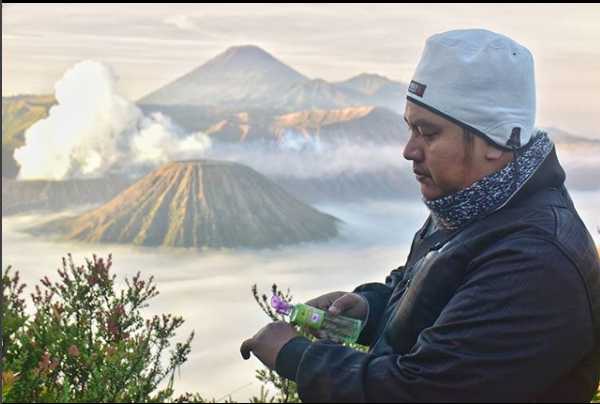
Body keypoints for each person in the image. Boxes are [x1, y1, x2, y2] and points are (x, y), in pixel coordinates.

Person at [240, 29, 600, 402]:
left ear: (494, 142)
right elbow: (433, 292)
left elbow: (422, 391)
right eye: (410, 128)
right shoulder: (475, 206)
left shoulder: (534, 261)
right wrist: (369, 309)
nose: (409, 150)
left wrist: (296, 357)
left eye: (427, 133)